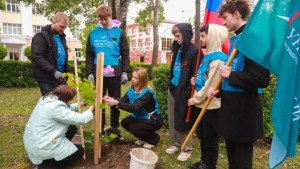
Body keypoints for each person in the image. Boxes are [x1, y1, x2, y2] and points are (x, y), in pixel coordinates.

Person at [207, 1, 270, 169]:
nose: (223, 22)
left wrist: (231, 75)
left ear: (236, 14)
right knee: (233, 162)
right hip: (231, 112)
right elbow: (233, 74)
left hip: (244, 113)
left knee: (241, 163)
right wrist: (218, 91)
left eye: (225, 17)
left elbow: (262, 78)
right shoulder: (236, 39)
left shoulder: (252, 37)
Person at [23, 85, 94, 168]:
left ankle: (54, 153)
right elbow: (81, 119)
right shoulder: (57, 109)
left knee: (71, 128)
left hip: (35, 142)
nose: (71, 101)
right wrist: (92, 108)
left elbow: (66, 108)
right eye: (71, 99)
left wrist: (82, 104)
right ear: (66, 99)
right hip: (43, 146)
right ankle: (45, 165)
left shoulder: (47, 101)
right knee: (79, 151)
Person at [187, 24, 228, 169]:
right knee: (203, 137)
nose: (200, 39)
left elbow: (210, 86)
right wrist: (195, 80)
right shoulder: (207, 56)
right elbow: (204, 79)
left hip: (210, 106)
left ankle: (210, 165)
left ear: (213, 37)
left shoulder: (218, 60)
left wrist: (193, 100)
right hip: (202, 104)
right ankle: (204, 162)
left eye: (203, 36)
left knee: (210, 139)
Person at [86, 5, 129, 136]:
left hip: (114, 75)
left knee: (114, 102)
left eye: (106, 18)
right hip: (98, 75)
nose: (103, 21)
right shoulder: (93, 33)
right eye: (101, 19)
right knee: (99, 102)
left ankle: (115, 128)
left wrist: (125, 71)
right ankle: (100, 128)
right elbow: (89, 54)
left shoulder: (119, 33)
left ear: (111, 16)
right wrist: (89, 72)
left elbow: (125, 53)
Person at [103, 67, 163, 149]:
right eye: (132, 77)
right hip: (139, 116)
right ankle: (143, 137)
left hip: (153, 119)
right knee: (124, 122)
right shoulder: (131, 89)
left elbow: (135, 108)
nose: (133, 79)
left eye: (136, 78)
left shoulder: (148, 93)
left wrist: (117, 103)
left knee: (135, 128)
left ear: (142, 79)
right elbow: (123, 101)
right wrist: (111, 99)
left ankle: (153, 138)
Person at [166, 23, 199, 161]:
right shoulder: (177, 49)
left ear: (185, 34)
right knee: (173, 119)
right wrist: (170, 82)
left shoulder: (194, 51)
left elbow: (195, 73)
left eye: (178, 36)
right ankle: (177, 144)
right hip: (173, 88)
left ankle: (186, 148)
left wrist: (187, 92)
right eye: (174, 36)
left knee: (184, 118)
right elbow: (174, 67)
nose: (176, 39)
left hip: (184, 91)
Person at [31, 12, 70, 96]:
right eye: (61, 26)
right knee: (50, 105)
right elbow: (37, 57)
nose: (63, 29)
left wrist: (69, 74)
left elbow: (63, 58)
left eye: (65, 27)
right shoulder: (41, 37)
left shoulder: (62, 37)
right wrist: (53, 71)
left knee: (63, 103)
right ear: (53, 22)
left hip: (61, 78)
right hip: (47, 79)